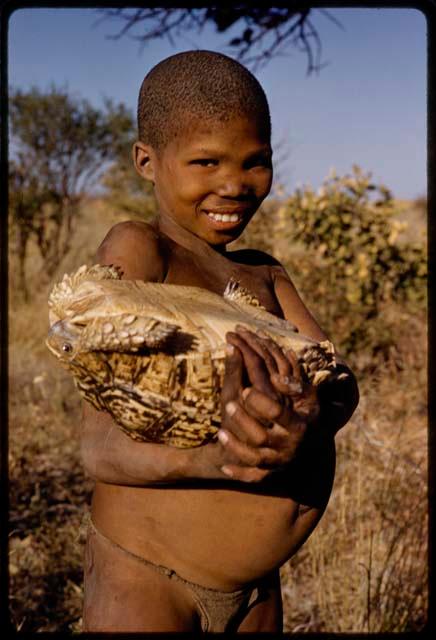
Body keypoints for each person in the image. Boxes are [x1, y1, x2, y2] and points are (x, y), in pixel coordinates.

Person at [80, 50, 359, 633]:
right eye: (206, 161)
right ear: (146, 161)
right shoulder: (142, 251)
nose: (235, 185)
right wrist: (219, 457)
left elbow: (337, 383)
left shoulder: (266, 275)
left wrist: (309, 415)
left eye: (256, 163)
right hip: (149, 580)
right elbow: (98, 446)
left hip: (256, 593)